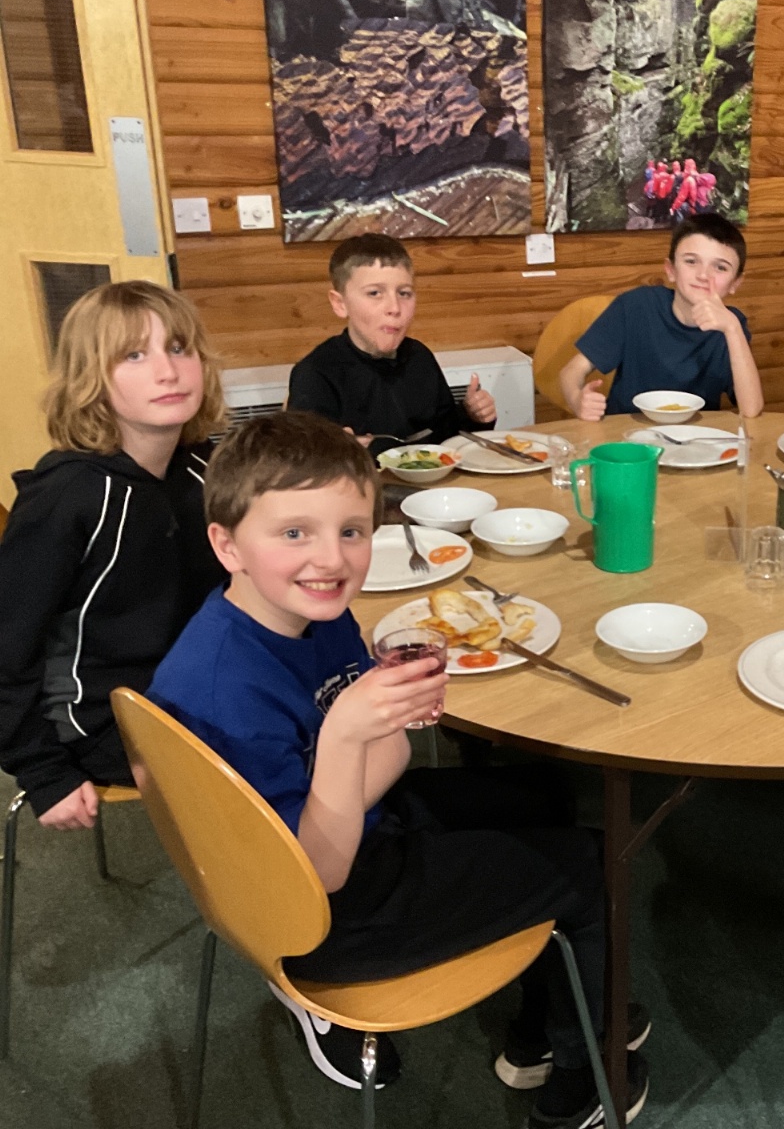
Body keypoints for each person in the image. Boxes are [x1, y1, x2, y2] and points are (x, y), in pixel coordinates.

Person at [145, 412, 648, 1127]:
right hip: (320, 915)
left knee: (541, 792)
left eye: (351, 531)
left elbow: (398, 751)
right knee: (593, 864)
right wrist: (345, 739)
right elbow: (317, 875)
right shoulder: (224, 689)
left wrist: (350, 756)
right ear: (227, 545)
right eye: (295, 533)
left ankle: (547, 1024)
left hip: (351, 833)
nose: (331, 559)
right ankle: (586, 1075)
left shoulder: (312, 613)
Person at [0, 281, 225, 832]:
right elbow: (7, 646)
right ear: (91, 379)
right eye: (134, 355)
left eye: (178, 348)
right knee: (286, 742)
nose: (168, 371)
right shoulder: (67, 498)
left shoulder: (203, 468)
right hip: (101, 718)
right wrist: (43, 770)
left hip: (194, 678)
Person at [287, 233, 498, 455]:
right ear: (340, 304)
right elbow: (301, 463)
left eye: (404, 293)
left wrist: (472, 416)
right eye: (374, 293)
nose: (395, 308)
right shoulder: (316, 373)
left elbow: (446, 438)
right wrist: (339, 454)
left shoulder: (419, 356)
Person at [559, 212, 764, 421]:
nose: (703, 275)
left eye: (720, 267)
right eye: (691, 261)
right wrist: (577, 399)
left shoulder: (731, 325)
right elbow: (571, 372)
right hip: (625, 432)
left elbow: (751, 410)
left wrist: (732, 329)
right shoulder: (635, 306)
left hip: (696, 435)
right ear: (671, 270)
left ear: (735, 283)